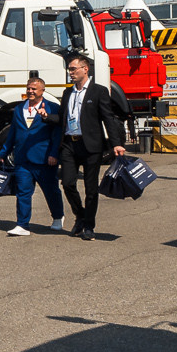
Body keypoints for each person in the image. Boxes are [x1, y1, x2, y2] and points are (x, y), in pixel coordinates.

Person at [55, 55, 131, 241]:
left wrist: (116, 143)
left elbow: (108, 118)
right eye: (70, 70)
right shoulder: (67, 93)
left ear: (85, 69)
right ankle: (80, 215)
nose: (71, 73)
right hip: (69, 144)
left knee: (91, 188)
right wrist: (45, 116)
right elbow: (61, 118)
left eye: (74, 69)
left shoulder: (99, 91)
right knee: (68, 183)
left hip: (90, 145)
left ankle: (89, 225)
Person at [4, 75, 66, 237]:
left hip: (44, 159)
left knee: (51, 190)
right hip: (22, 159)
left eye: (34, 89)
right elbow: (13, 133)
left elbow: (57, 134)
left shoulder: (52, 108)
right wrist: (3, 151)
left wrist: (54, 154)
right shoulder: (19, 109)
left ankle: (58, 217)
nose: (30, 92)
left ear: (42, 91)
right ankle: (22, 224)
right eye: (28, 88)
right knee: (23, 192)